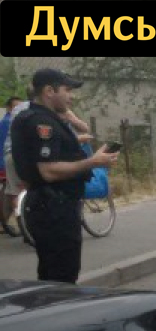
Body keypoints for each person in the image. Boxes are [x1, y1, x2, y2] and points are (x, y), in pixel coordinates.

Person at [10, 69, 118, 283]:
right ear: (49, 91)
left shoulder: (38, 117)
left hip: (51, 205)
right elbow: (48, 170)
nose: (72, 96)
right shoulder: (42, 122)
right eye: (67, 90)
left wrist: (85, 151)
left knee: (55, 274)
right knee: (61, 276)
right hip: (54, 207)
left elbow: (50, 153)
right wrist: (93, 162)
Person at [0, 96, 22, 233]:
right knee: (13, 191)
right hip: (6, 162)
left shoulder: (5, 121)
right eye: (15, 107)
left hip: (4, 162)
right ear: (9, 108)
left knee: (9, 190)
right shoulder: (9, 122)